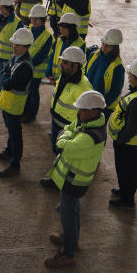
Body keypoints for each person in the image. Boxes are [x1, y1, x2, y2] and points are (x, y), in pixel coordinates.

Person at [44, 90, 108, 269]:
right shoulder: (88, 123)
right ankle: (71, 240)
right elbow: (69, 127)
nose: (78, 113)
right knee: (71, 212)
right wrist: (67, 132)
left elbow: (62, 146)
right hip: (73, 179)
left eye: (82, 110)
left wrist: (64, 135)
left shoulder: (90, 136)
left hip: (74, 181)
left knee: (68, 216)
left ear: (94, 112)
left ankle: (68, 253)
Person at [41, 47, 93, 188]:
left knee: (66, 158)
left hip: (68, 129)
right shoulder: (65, 76)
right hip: (56, 122)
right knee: (57, 152)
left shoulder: (84, 89)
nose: (61, 65)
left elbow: (87, 115)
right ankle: (56, 178)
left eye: (65, 62)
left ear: (75, 66)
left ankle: (64, 186)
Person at [107, 59, 137, 210]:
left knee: (125, 169)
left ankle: (127, 200)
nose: (128, 75)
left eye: (129, 73)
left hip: (126, 141)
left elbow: (132, 127)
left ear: (134, 78)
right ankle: (125, 190)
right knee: (129, 169)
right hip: (130, 142)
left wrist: (121, 139)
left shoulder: (136, 100)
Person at [0, 28, 34, 178]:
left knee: (16, 135)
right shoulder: (15, 57)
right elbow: (4, 74)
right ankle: (8, 151)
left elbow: (7, 83)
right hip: (7, 103)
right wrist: (5, 77)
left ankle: (15, 165)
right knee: (10, 130)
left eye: (17, 45)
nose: (14, 47)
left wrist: (5, 78)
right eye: (14, 44)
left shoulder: (24, 66)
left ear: (27, 46)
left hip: (14, 106)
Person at [23, 5, 54, 124]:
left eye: (36, 19)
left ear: (43, 20)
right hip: (27, 67)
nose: (33, 21)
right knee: (26, 90)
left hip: (36, 70)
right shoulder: (28, 29)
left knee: (33, 91)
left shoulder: (47, 36)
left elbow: (41, 56)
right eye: (32, 18)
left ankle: (32, 114)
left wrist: (27, 64)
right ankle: (25, 111)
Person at [0, 0, 24, 105]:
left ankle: (3, 96)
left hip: (9, 56)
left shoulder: (17, 22)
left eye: (2, 7)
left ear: (9, 8)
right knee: (1, 75)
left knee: (7, 77)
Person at [85, 28, 126, 113]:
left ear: (114, 47)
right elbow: (85, 74)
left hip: (103, 108)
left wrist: (100, 106)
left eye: (107, 44)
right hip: (87, 100)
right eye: (103, 43)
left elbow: (115, 91)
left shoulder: (117, 67)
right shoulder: (93, 55)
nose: (104, 46)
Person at [46, 13, 85, 81]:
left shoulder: (80, 43)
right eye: (60, 27)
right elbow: (53, 56)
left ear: (71, 28)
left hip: (67, 80)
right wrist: (49, 74)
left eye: (64, 27)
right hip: (55, 78)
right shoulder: (59, 40)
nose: (61, 30)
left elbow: (80, 66)